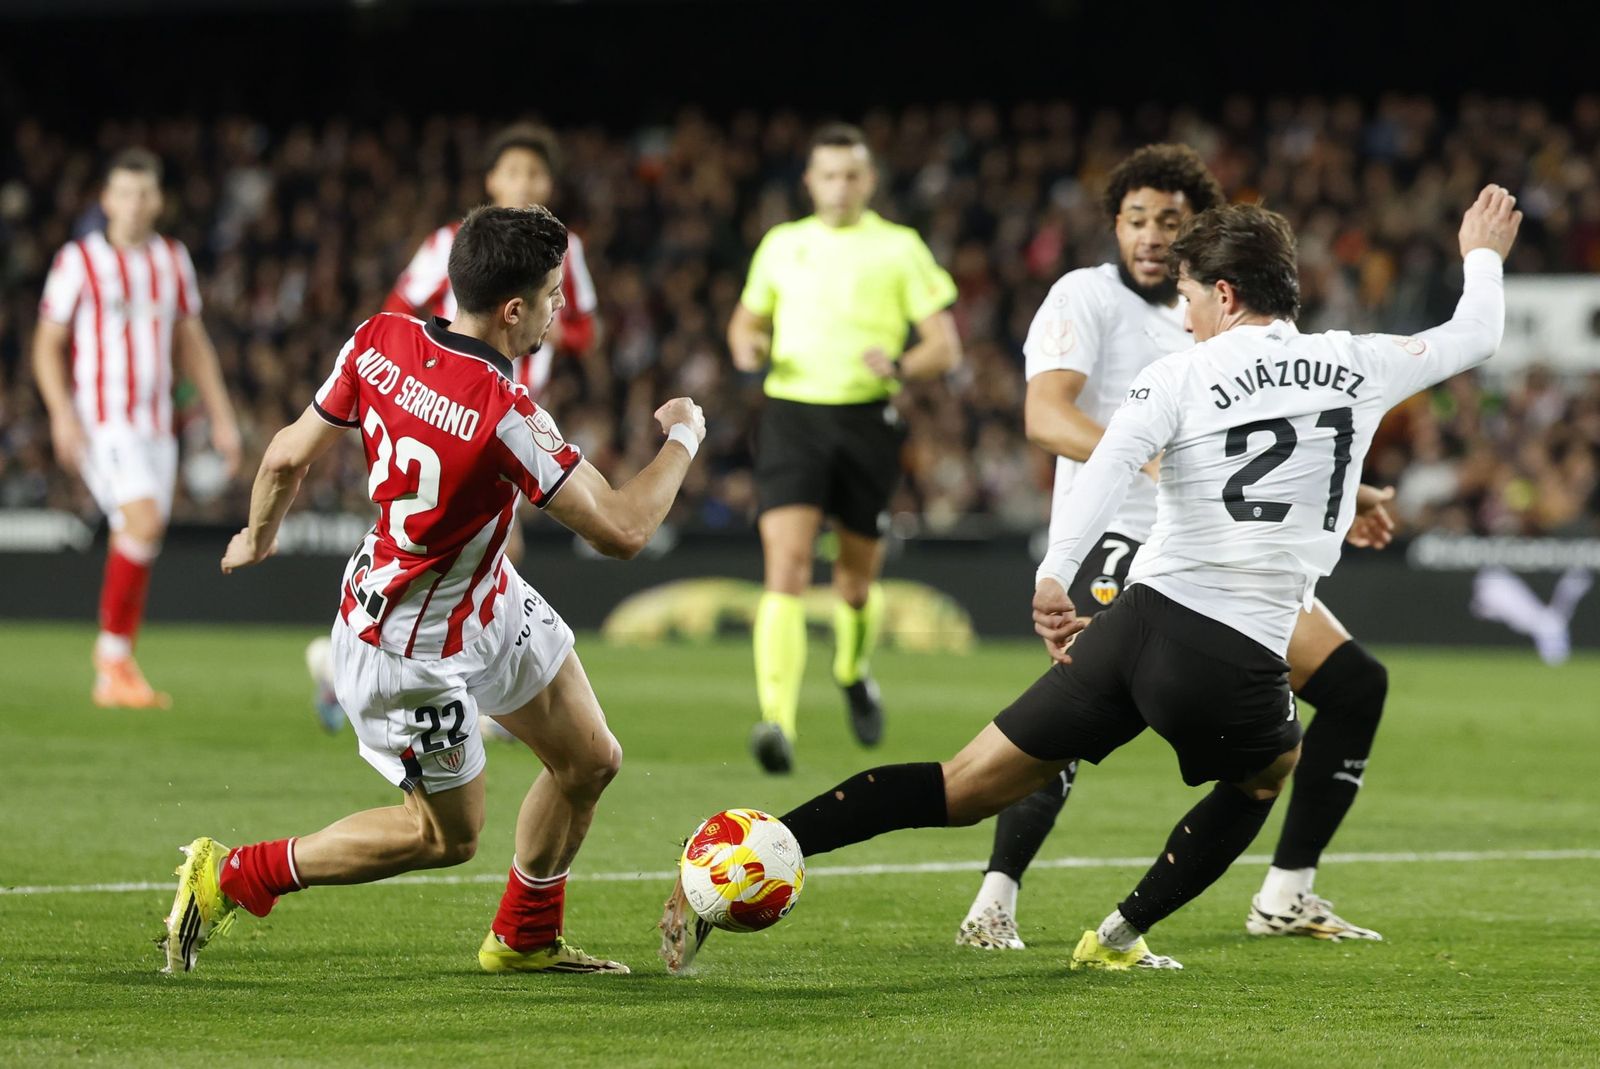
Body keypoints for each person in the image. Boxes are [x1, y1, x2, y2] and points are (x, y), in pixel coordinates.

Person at [663, 186, 1520, 975]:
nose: (1184, 315)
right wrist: (1480, 250)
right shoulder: (1360, 362)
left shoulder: (1178, 374)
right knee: (1268, 769)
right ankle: (1118, 935)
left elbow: (1111, 465)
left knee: (960, 785)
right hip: (1237, 651)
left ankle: (759, 846)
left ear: (1225, 294)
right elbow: (1479, 333)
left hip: (1134, 625)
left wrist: (1054, 577)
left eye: (1189, 298)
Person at [159, 205, 706, 976]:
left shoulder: (380, 337)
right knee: (446, 836)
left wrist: (257, 536)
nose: (558, 309)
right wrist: (685, 434)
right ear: (514, 309)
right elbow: (623, 530)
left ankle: (524, 938)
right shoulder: (502, 411)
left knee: (589, 760)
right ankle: (231, 876)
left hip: (483, 597)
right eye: (552, 296)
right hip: (408, 649)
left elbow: (284, 457)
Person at [958, 145, 1398, 951]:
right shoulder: (1084, 296)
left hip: (1221, 542)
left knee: (1356, 684)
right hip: (1125, 537)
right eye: (1136, 220)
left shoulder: (1218, 309)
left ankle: (1286, 892)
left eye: (1170, 221)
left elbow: (1280, 435)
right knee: (1069, 723)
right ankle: (996, 898)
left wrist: (1353, 493)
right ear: (1114, 226)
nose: (1153, 236)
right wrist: (1151, 451)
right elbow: (1045, 418)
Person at [728, 122, 962, 773]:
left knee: (856, 583)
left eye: (851, 175)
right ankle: (776, 720)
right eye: (827, 175)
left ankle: (853, 671)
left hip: (866, 420)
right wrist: (746, 343)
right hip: (792, 417)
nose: (839, 186)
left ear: (869, 181)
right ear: (809, 182)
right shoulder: (782, 244)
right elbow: (746, 320)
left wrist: (901, 364)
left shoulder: (899, 247)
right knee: (788, 567)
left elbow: (944, 345)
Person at [32, 147, 241, 709]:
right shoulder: (80, 260)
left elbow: (191, 341)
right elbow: (47, 343)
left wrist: (220, 417)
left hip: (157, 425)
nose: (134, 203)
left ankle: (115, 667)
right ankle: (112, 659)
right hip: (104, 421)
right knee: (143, 522)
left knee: (141, 536)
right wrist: (61, 414)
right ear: (106, 200)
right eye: (123, 193)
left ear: (158, 201)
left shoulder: (171, 258)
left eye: (144, 193)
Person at [385, 122, 597, 399]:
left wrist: (562, 336)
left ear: (550, 184)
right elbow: (398, 308)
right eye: (513, 172)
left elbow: (586, 332)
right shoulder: (451, 240)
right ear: (491, 179)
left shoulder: (567, 250)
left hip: (522, 407)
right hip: (451, 397)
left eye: (534, 174)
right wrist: (413, 370)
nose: (523, 183)